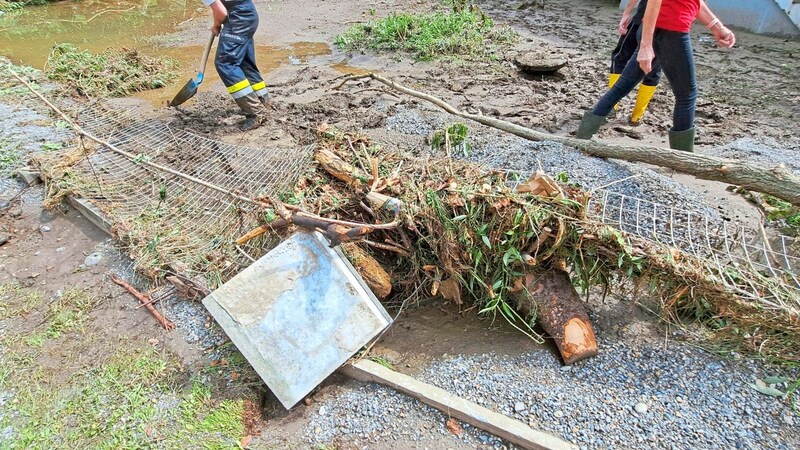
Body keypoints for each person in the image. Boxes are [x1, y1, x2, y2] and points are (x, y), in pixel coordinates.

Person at [577, 0, 735, 152]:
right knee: (686, 94)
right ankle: (683, 160)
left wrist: (716, 27)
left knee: (622, 86)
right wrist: (646, 45)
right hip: (669, 32)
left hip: (661, 30)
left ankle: (581, 139)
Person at [203, 0, 269, 131]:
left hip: (238, 20)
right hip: (249, 16)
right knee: (244, 62)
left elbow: (221, 13)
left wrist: (216, 24)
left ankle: (256, 112)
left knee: (225, 63)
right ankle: (263, 101)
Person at [610, 0, 662, 124]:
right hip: (667, 29)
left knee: (620, 58)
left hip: (642, 21)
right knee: (653, 69)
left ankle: (612, 106)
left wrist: (626, 13)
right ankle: (637, 116)